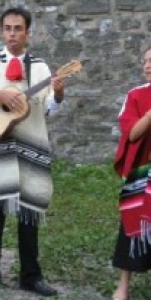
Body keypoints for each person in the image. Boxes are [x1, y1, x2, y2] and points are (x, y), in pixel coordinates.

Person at [0, 7, 65, 298]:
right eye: (8, 28)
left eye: (18, 28)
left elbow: (49, 108)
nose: (13, 34)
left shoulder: (40, 67)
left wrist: (58, 94)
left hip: (30, 146)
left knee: (29, 212)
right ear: (2, 31)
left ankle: (31, 276)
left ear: (28, 32)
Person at [112, 46, 151, 300]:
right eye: (145, 60)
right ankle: (123, 286)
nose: (147, 65)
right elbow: (133, 134)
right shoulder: (135, 96)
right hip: (143, 171)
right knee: (132, 227)